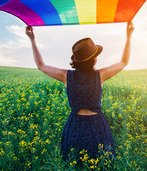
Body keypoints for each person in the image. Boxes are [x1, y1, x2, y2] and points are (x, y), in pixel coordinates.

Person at [25, 21, 135, 163]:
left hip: (75, 125)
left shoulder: (66, 76)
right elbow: (123, 62)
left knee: (75, 162)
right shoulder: (100, 75)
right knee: (101, 163)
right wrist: (129, 35)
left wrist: (32, 39)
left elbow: (41, 66)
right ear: (93, 60)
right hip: (97, 126)